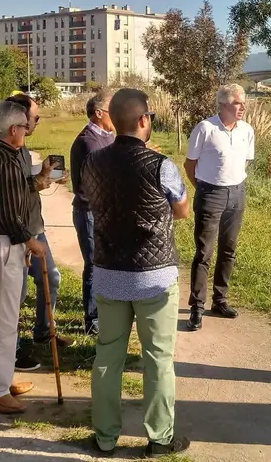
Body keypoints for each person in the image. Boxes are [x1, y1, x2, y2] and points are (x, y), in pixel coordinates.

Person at [83, 89, 191, 456]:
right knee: (158, 358)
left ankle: (105, 437)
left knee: (107, 358)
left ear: (112, 119)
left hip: (110, 273)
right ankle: (160, 438)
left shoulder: (92, 163)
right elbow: (182, 211)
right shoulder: (161, 165)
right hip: (154, 276)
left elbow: (90, 201)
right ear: (144, 120)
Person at [0, 100, 47, 415]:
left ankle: (0, 380)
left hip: (5, 243)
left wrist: (38, 179)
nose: (27, 133)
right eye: (25, 128)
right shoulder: (0, 160)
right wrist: (30, 241)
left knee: (7, 319)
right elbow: (4, 215)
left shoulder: (4, 154)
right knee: (4, 321)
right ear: (14, 130)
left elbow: (14, 191)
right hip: (2, 244)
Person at [5, 93, 71, 374]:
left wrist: (42, 176)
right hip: (15, 233)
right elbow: (9, 193)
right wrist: (39, 180)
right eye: (36, 117)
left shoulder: (21, 149)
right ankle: (13, 347)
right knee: (15, 294)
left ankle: (44, 330)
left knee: (51, 279)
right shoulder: (3, 152)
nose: (38, 121)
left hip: (35, 228)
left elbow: (24, 183)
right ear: (19, 119)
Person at [183, 83, 255, 332]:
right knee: (204, 252)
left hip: (237, 193)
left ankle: (220, 300)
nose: (242, 106)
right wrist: (202, 188)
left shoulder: (247, 130)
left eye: (243, 102)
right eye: (237, 102)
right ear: (223, 105)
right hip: (210, 193)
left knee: (229, 250)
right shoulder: (205, 128)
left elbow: (245, 161)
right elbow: (189, 164)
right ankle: (197, 306)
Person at [69, 90, 116, 335]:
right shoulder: (88, 141)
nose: (115, 116)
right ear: (99, 113)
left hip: (104, 212)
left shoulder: (107, 136)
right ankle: (93, 320)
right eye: (112, 111)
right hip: (90, 212)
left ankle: (105, 311)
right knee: (94, 265)